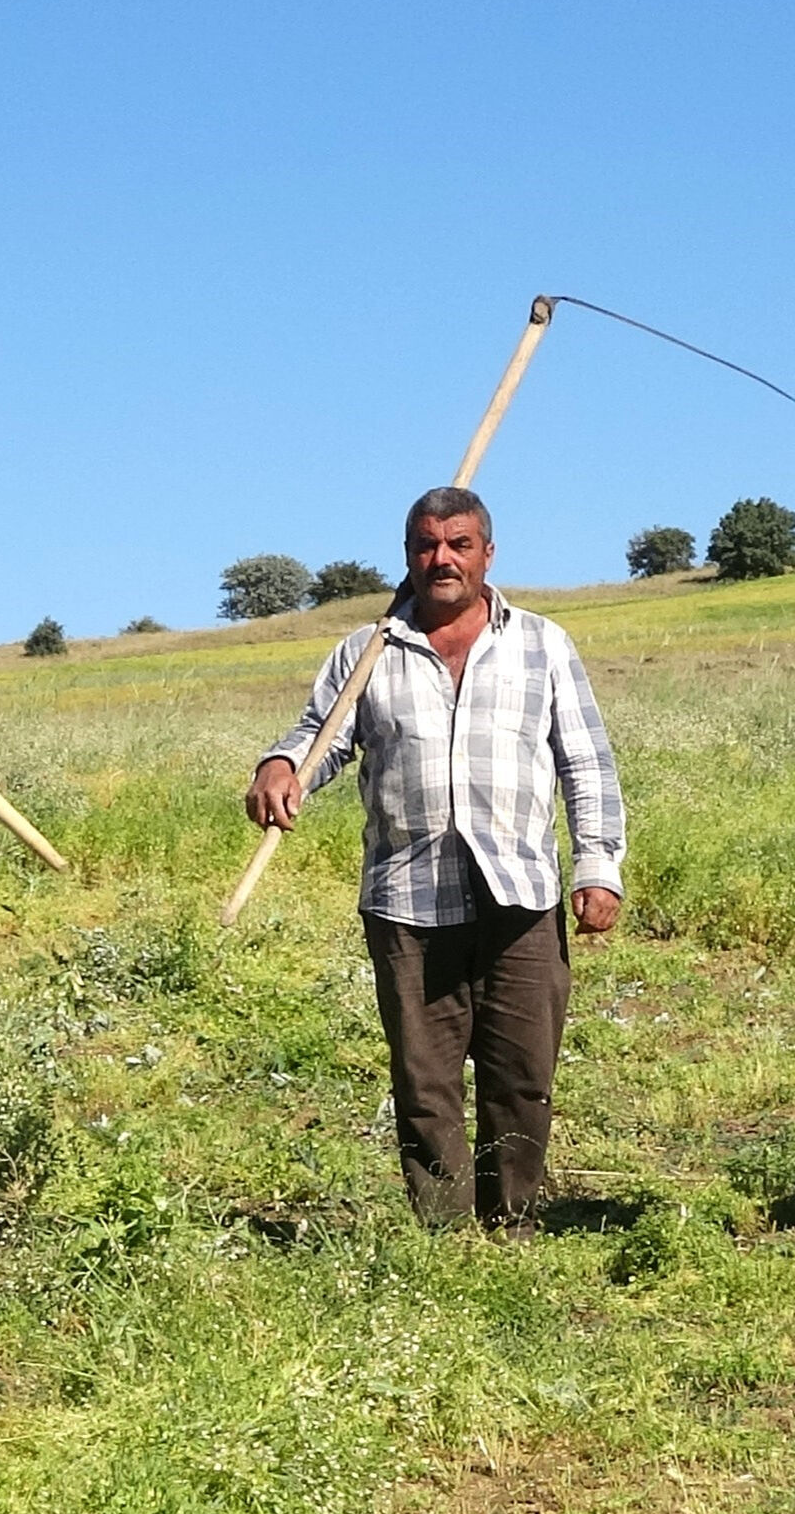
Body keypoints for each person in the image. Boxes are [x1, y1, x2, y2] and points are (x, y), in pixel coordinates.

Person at [245, 487, 625, 1239]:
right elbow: (318, 736)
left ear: (488, 553)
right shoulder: (367, 652)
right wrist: (280, 766)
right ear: (407, 555)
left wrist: (597, 866)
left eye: (458, 544)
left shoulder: (541, 643)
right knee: (425, 1082)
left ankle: (510, 1228)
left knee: (522, 1077)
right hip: (406, 899)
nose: (440, 559)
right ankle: (445, 1241)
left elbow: (585, 763)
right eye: (425, 545)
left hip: (520, 893)